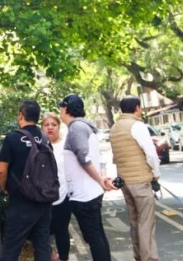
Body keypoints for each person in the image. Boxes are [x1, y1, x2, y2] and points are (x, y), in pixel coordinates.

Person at [59, 94, 114, 261]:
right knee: (97, 235)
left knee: (94, 237)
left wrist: (100, 180)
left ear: (66, 108)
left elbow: (83, 158)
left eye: (61, 107)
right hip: (90, 192)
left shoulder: (76, 128)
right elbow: (97, 157)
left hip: (84, 195)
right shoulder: (86, 127)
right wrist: (101, 179)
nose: (60, 111)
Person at [0, 100, 53, 261]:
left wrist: (4, 187)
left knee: (11, 247)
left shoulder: (13, 138)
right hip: (43, 200)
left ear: (21, 115)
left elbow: (2, 169)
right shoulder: (44, 139)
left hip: (21, 201)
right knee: (42, 245)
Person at [110, 96, 161, 261]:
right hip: (140, 181)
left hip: (125, 181)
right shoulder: (137, 126)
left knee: (134, 221)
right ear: (137, 108)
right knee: (146, 223)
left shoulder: (115, 127)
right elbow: (151, 154)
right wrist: (156, 174)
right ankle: (149, 258)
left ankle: (138, 256)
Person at [43, 112, 70, 261]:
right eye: (46, 125)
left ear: (59, 127)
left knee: (62, 231)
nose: (50, 128)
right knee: (43, 231)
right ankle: (51, 255)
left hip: (63, 195)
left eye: (53, 124)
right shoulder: (39, 146)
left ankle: (64, 258)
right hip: (44, 197)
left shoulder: (66, 146)